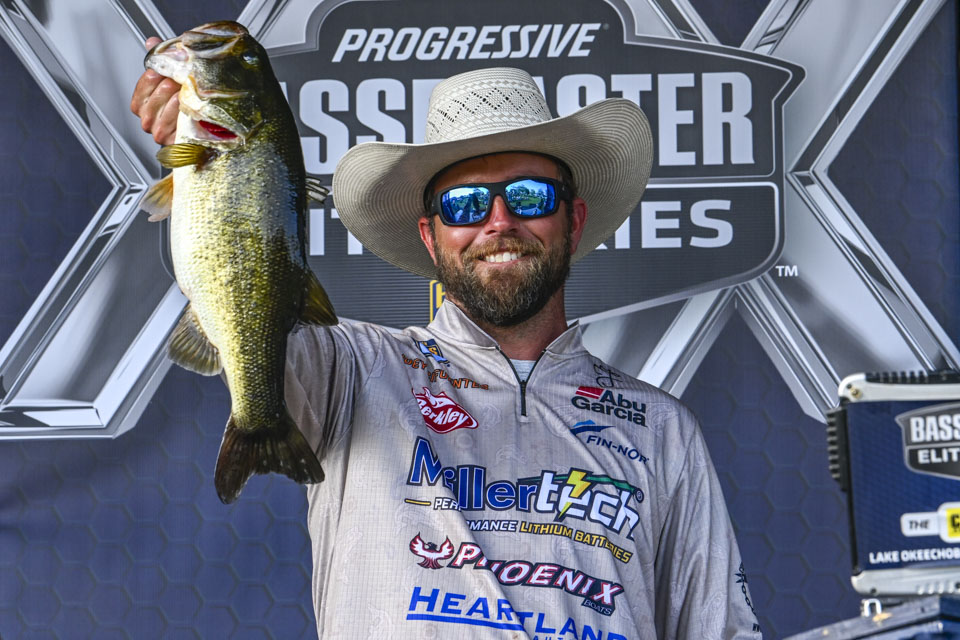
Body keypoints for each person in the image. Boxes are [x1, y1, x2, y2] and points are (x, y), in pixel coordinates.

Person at [132, 41, 761, 639]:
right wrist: (202, 141)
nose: (499, 222)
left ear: (572, 220)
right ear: (431, 237)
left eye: (529, 196)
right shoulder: (350, 370)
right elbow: (250, 298)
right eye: (463, 204)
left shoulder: (663, 431)